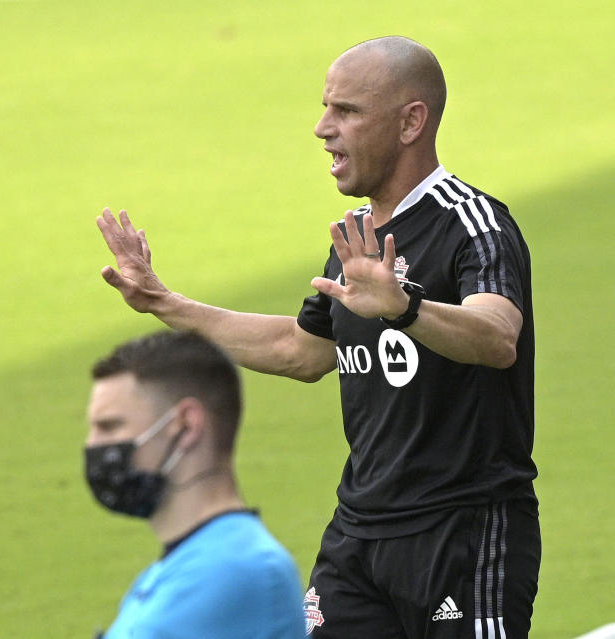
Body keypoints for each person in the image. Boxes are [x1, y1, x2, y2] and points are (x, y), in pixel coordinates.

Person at [96, 35, 541, 639]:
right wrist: (164, 304)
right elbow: (301, 351)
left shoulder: (472, 224)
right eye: (327, 107)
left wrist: (405, 306)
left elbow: (497, 336)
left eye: (347, 111)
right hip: (360, 534)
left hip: (463, 530)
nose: (322, 128)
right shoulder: (354, 238)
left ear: (412, 122)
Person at [84, 330, 306, 638]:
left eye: (110, 427)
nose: (93, 446)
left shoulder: (236, 570)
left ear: (186, 425)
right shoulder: (169, 572)